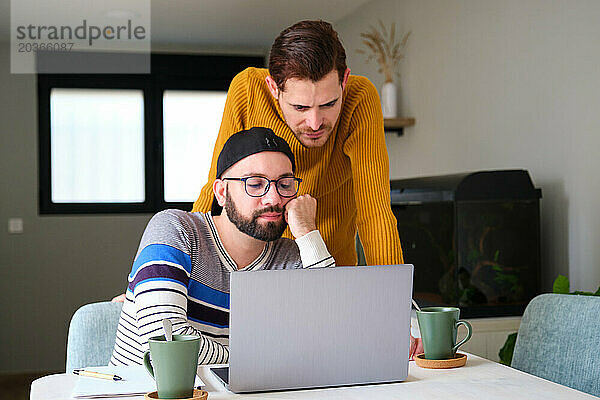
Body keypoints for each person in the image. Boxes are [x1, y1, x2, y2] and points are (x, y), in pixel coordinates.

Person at [109, 127, 335, 366]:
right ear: (222, 192)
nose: (274, 199)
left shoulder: (291, 256)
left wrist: (307, 231)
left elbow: (332, 337)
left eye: (285, 184)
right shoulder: (176, 229)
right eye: (255, 184)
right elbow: (167, 342)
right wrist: (259, 360)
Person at [192, 20, 404, 267]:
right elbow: (217, 190)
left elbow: (375, 214)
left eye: (328, 104)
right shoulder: (248, 90)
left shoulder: (360, 99)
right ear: (273, 88)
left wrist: (395, 297)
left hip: (334, 268)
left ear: (344, 81)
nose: (315, 123)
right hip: (261, 267)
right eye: (300, 107)